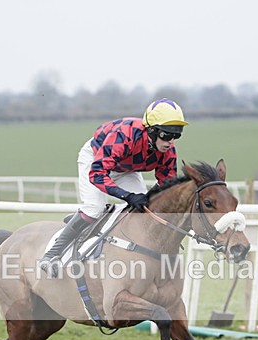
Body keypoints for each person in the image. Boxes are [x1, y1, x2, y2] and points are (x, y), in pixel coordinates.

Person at [39, 98, 188, 275]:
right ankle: (51, 254)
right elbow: (97, 174)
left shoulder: (168, 150)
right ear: (152, 131)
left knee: (143, 210)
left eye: (176, 135)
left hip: (126, 169)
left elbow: (167, 186)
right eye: (166, 135)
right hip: (96, 160)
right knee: (94, 208)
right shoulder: (125, 135)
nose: (171, 142)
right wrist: (127, 196)